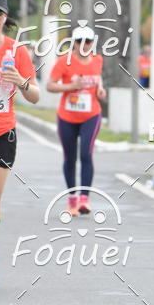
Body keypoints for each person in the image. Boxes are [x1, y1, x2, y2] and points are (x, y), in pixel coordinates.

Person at [0, 0, 39, 289]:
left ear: (5, 17)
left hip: (1, 134)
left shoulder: (16, 51)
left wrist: (20, 82)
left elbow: (35, 95)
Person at [47, 26, 106, 217]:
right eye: (79, 41)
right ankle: (72, 199)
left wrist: (101, 90)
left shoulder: (98, 60)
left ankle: (84, 199)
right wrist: (72, 86)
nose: (84, 45)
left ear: (92, 43)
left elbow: (98, 78)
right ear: (74, 43)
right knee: (70, 158)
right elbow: (50, 85)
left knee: (86, 155)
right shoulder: (64, 62)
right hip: (67, 116)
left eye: (87, 41)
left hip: (91, 114)